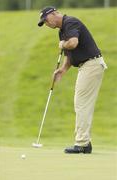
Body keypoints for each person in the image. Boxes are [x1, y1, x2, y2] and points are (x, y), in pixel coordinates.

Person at [38, 6, 107, 154]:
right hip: (87, 66)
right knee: (80, 103)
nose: (46, 24)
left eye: (45, 20)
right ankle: (84, 142)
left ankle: (82, 144)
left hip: (91, 64)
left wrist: (63, 44)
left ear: (54, 14)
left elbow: (73, 43)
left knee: (81, 103)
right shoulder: (62, 31)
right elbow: (70, 55)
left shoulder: (70, 22)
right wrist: (62, 70)